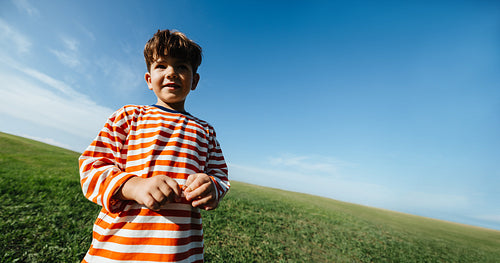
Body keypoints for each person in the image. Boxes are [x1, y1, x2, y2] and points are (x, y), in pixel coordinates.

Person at [79, 29, 230, 263]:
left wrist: (211, 187)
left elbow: (220, 176)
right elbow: (91, 167)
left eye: (182, 66)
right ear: (149, 80)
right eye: (161, 66)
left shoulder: (205, 131)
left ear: (195, 81)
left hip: (179, 254)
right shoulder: (129, 116)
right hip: (116, 251)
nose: (171, 73)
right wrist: (133, 185)